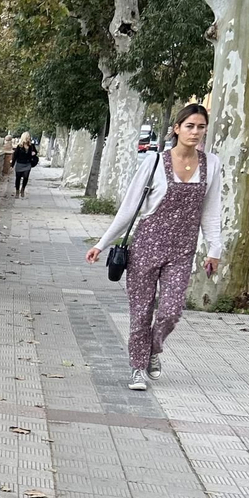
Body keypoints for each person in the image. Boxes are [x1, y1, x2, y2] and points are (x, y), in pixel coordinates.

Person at [85, 104, 221, 391]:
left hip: (183, 250)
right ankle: (137, 368)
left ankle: (153, 350)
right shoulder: (155, 163)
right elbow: (130, 208)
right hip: (146, 246)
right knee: (141, 312)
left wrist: (214, 249)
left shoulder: (212, 164)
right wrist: (101, 243)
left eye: (200, 127)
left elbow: (210, 210)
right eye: (190, 126)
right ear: (177, 128)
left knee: (171, 311)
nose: (195, 132)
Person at [11, 132, 38, 197]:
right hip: (19, 164)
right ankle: (17, 191)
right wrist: (12, 164)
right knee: (18, 178)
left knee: (26, 177)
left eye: (29, 137)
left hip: (27, 164)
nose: (29, 138)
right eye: (27, 137)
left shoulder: (31, 146)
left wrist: (34, 153)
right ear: (24, 138)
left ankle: (22, 189)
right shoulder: (19, 146)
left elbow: (35, 152)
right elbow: (15, 156)